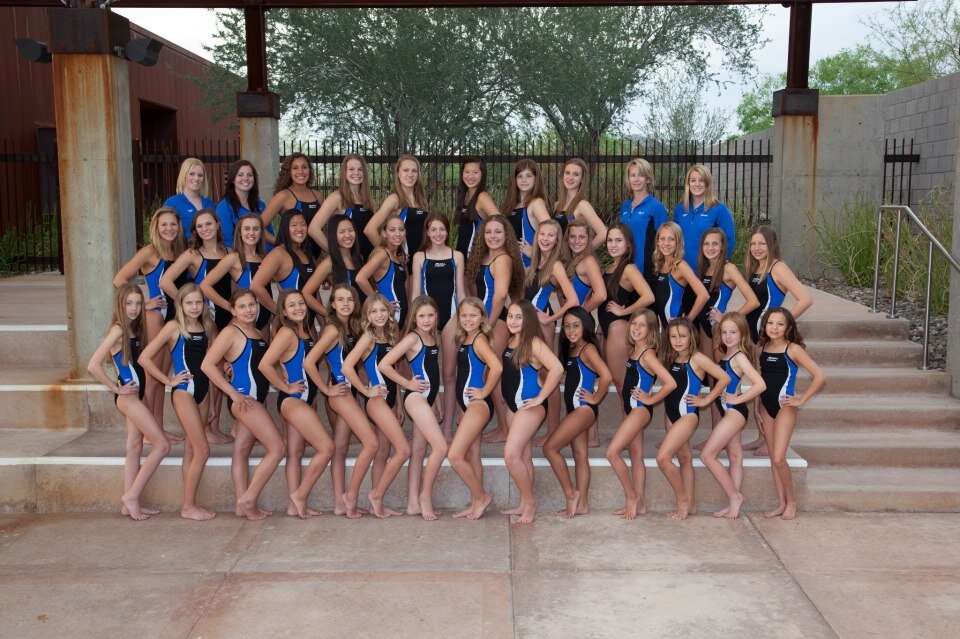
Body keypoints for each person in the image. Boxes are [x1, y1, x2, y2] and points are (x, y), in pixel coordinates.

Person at [86, 284, 171, 521]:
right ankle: (132, 495)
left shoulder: (135, 327)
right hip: (129, 397)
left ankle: (128, 503)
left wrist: (149, 305)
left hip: (137, 395)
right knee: (162, 445)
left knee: (134, 447)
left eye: (137, 303)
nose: (133, 309)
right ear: (120, 305)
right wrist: (116, 388)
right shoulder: (118, 330)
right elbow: (93, 365)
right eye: (128, 303)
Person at [201, 289, 284, 521]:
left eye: (252, 305)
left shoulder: (254, 330)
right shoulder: (230, 331)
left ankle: (241, 505)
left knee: (242, 450)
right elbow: (207, 365)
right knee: (277, 449)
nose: (249, 310)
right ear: (232, 310)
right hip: (245, 400)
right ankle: (248, 498)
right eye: (243, 306)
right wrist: (232, 393)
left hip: (253, 399)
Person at [138, 284, 216, 521]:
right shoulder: (174, 327)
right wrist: (168, 380)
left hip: (203, 391)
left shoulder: (207, 325)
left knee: (193, 449)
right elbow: (144, 357)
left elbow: (209, 366)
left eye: (198, 302)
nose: (194, 307)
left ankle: (189, 502)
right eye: (189, 302)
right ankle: (188, 506)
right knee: (203, 449)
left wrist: (212, 402)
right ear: (180, 304)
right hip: (184, 391)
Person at [302, 284, 379, 519]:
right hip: (340, 394)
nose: (345, 304)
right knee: (371, 443)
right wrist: (327, 389)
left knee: (340, 449)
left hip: (346, 393)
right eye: (340, 300)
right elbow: (309, 362)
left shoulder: (350, 327)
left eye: (349, 299)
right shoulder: (332, 330)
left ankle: (338, 504)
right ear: (332, 304)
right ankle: (350, 496)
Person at [258, 290, 335, 519]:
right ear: (283, 310)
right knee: (326, 447)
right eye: (292, 305)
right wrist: (285, 387)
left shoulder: (305, 331)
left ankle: (294, 505)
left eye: (301, 303)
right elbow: (265, 365)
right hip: (294, 400)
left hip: (304, 399)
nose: (299, 308)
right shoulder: (286, 332)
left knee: (296, 452)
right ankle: (300, 495)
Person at [113, 206, 187, 429]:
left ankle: (158, 428)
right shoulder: (149, 252)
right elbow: (120, 279)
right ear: (156, 227)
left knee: (162, 375)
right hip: (158, 315)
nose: (169, 228)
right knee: (151, 378)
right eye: (164, 224)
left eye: (173, 224)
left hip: (177, 316)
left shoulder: (181, 251)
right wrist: (144, 303)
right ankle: (147, 430)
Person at [742, 225, 813, 456]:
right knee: (760, 387)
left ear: (772, 245)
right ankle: (762, 436)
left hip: (767, 338)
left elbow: (805, 298)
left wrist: (783, 323)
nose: (757, 248)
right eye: (753, 243)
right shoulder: (756, 268)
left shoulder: (777, 268)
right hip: (755, 338)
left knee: (768, 386)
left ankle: (768, 440)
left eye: (762, 243)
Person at [340, 293, 411, 519]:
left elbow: (396, 372)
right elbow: (347, 367)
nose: (379, 315)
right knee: (403, 450)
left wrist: (398, 404)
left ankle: (372, 504)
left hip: (389, 400)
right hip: (377, 400)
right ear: (367, 316)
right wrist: (365, 390)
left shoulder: (390, 334)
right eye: (374, 311)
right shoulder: (368, 336)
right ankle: (369, 495)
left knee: (382, 452)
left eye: (383, 310)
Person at [379, 296, 450, 520]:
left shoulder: (432, 337)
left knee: (419, 451)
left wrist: (436, 398)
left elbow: (432, 372)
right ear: (414, 318)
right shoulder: (412, 337)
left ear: (436, 316)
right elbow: (384, 364)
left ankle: (412, 503)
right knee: (440, 447)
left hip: (427, 398)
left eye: (430, 315)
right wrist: (407, 384)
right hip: (416, 398)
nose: (427, 320)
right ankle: (424, 497)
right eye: (422, 316)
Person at [542, 307, 613, 519]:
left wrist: (596, 398)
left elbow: (607, 376)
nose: (571, 330)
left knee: (550, 448)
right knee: (580, 456)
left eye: (576, 325)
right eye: (567, 326)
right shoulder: (573, 349)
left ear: (585, 326)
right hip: (577, 409)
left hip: (583, 409)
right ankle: (582, 505)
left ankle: (571, 493)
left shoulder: (587, 348)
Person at [605, 309, 675, 520]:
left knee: (612, 452)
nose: (636, 328)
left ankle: (631, 497)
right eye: (634, 324)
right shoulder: (635, 350)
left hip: (639, 410)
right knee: (636, 456)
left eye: (642, 325)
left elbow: (670, 382)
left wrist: (651, 400)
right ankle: (641, 503)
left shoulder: (648, 354)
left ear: (651, 329)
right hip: (631, 409)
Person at [757, 307, 826, 520]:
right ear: (764, 325)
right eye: (770, 323)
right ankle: (780, 503)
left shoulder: (792, 349)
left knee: (778, 458)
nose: (774, 327)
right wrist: (756, 409)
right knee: (772, 459)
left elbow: (820, 377)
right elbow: (759, 380)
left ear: (788, 327)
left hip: (785, 406)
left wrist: (800, 400)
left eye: (780, 324)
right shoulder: (762, 347)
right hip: (766, 407)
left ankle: (792, 501)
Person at [657, 317, 729, 521]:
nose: (677, 340)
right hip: (671, 415)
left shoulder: (697, 358)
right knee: (684, 458)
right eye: (673, 336)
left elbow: (725, 378)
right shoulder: (670, 357)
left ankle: (682, 499)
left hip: (688, 415)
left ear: (691, 337)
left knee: (663, 458)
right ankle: (692, 504)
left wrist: (706, 400)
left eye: (682, 336)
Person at [499, 300, 563, 524]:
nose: (513, 321)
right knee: (523, 456)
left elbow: (556, 368)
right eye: (510, 316)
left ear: (528, 320)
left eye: (519, 317)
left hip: (530, 406)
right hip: (513, 406)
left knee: (511, 455)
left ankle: (530, 500)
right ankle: (523, 504)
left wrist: (542, 397)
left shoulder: (534, 342)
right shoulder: (512, 340)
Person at [464, 214, 526, 444]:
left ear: (506, 235)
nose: (493, 236)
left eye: (498, 231)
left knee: (493, 372)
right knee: (489, 372)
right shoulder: (485, 257)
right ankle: (502, 425)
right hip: (485, 320)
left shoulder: (502, 259)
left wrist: (487, 324)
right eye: (488, 232)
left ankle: (504, 428)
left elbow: (500, 294)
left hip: (495, 321)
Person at [699, 311, 766, 520]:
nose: (728, 336)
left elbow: (760, 384)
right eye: (724, 332)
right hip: (727, 410)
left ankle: (735, 496)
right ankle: (732, 504)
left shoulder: (740, 357)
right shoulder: (727, 355)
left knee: (707, 455)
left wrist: (738, 399)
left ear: (742, 334)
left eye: (733, 332)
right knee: (735, 456)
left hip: (735, 412)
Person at [410, 213, 466, 440]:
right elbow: (416, 292)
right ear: (427, 231)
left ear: (448, 230)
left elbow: (460, 290)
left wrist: (464, 319)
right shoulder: (419, 257)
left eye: (442, 229)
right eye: (433, 229)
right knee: (427, 373)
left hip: (452, 317)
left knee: (449, 373)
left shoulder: (457, 256)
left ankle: (447, 428)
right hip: (426, 319)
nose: (438, 234)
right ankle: (426, 423)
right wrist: (414, 323)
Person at [523, 219, 578, 443]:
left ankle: (552, 431)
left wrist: (551, 317)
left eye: (550, 235)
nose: (545, 239)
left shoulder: (555, 265)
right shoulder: (536, 261)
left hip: (542, 326)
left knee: (548, 378)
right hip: (528, 325)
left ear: (558, 240)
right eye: (542, 234)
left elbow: (572, 298)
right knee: (538, 375)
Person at [598, 224, 655, 435]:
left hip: (619, 330)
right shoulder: (609, 267)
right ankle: (628, 430)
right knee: (620, 383)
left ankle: (629, 432)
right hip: (607, 329)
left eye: (618, 240)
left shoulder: (628, 268)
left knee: (622, 384)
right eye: (610, 240)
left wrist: (624, 311)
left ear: (628, 244)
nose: (613, 245)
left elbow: (648, 296)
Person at [448, 298, 502, 520]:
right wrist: (463, 406)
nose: (468, 319)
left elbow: (496, 367)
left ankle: (481, 497)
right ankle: (475, 503)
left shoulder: (479, 340)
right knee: (472, 454)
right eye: (464, 315)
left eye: (473, 315)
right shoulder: (466, 338)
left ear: (482, 317)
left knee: (455, 455)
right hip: (469, 405)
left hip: (478, 404)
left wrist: (483, 392)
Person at [200, 213, 272, 340]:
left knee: (261, 358)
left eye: (256, 229)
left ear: (261, 232)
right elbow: (205, 286)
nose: (251, 233)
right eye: (247, 229)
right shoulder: (234, 258)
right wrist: (230, 307)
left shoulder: (265, 259)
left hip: (265, 319)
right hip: (244, 320)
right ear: (239, 232)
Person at [161, 209, 233, 332]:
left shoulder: (229, 252)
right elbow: (165, 282)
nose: (205, 229)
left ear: (217, 224)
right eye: (199, 226)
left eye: (209, 224)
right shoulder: (192, 254)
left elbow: (234, 285)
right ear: (196, 231)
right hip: (207, 315)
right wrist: (188, 304)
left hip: (229, 313)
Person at [251, 210, 323, 319]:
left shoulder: (307, 254)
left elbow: (314, 293)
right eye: (294, 225)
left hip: (307, 324)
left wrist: (322, 325)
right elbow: (256, 286)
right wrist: (279, 313)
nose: (299, 229)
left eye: (303, 224)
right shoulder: (278, 254)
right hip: (291, 325)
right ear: (285, 228)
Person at [692, 228, 759, 343]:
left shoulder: (728, 269)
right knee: (709, 361)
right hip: (703, 325)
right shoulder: (704, 269)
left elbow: (753, 301)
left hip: (718, 325)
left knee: (721, 361)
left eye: (715, 244)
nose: (710, 248)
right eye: (706, 244)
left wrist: (729, 319)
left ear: (722, 246)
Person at [308, 154, 378, 259]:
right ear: (344, 173)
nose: (356, 173)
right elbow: (313, 229)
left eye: (360, 169)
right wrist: (336, 254)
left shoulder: (369, 200)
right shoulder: (337, 197)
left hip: (368, 261)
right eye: (351, 169)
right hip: (349, 262)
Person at [365, 154, 429, 261]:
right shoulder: (394, 199)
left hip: (421, 259)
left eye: (414, 171)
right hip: (404, 261)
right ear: (398, 174)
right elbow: (369, 230)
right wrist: (391, 254)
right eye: (405, 170)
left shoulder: (421, 200)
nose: (410, 174)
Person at [672, 164, 735, 271]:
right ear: (688, 184)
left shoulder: (719, 210)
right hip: (682, 272)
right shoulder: (680, 209)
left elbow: (729, 241)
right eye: (693, 180)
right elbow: (674, 239)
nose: (697, 184)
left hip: (706, 272)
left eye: (701, 180)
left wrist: (715, 268)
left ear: (707, 183)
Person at [261, 153, 324, 257]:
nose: (301, 171)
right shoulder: (283, 196)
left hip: (315, 257)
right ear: (288, 172)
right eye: (295, 168)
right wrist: (281, 243)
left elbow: (320, 229)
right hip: (292, 257)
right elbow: (258, 228)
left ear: (309, 170)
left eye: (304, 167)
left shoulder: (318, 196)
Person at [651, 222, 709, 328]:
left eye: (671, 239)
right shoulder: (661, 264)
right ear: (657, 242)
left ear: (678, 242)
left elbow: (704, 295)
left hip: (678, 328)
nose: (666, 243)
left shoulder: (680, 265)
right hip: (666, 328)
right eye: (662, 238)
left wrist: (688, 320)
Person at [619, 158, 669, 281]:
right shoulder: (625, 207)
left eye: (640, 175)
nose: (636, 179)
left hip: (647, 272)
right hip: (625, 270)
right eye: (633, 175)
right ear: (628, 179)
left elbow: (665, 242)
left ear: (648, 179)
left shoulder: (656, 207)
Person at [302, 214, 364, 310]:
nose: (347, 235)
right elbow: (306, 294)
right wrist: (329, 315)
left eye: (351, 230)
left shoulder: (359, 258)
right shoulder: (329, 263)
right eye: (342, 232)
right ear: (333, 235)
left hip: (362, 319)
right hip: (344, 321)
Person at [356, 213, 408, 327]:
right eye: (392, 230)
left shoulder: (397, 256)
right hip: (389, 316)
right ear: (384, 233)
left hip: (399, 316)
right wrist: (379, 302)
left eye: (401, 229)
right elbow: (360, 278)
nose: (398, 234)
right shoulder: (382, 254)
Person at [501, 159, 551, 267]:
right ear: (515, 179)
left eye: (528, 176)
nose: (524, 180)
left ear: (536, 179)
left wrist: (534, 253)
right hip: (511, 267)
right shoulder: (511, 205)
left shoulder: (536, 203)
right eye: (520, 176)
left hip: (529, 268)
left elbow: (552, 233)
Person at [552, 158, 607, 246]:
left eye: (576, 174)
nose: (570, 177)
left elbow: (603, 233)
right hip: (558, 258)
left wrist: (583, 255)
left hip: (573, 259)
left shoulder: (582, 205)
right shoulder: (557, 205)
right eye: (567, 173)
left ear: (582, 179)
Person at [455, 157, 500, 258]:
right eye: (467, 172)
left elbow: (501, 223)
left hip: (475, 259)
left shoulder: (482, 197)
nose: (470, 176)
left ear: (482, 174)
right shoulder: (466, 197)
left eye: (475, 172)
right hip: (463, 258)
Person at [215, 160, 265, 248]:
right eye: (240, 175)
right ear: (233, 179)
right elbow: (226, 241)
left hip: (263, 257)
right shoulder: (224, 207)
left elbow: (266, 233)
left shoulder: (260, 205)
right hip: (239, 258)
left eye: (249, 175)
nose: (246, 178)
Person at [561, 220, 607, 312]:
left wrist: (580, 314)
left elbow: (601, 295)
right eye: (572, 236)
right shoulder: (569, 261)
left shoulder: (588, 261)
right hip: (570, 320)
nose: (576, 241)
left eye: (582, 237)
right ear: (567, 239)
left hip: (581, 321)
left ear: (588, 239)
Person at [164, 158, 214, 239]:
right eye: (192, 174)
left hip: (207, 251)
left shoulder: (209, 203)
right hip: (182, 251)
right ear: (184, 175)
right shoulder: (172, 203)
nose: (196, 178)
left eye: (200, 175)